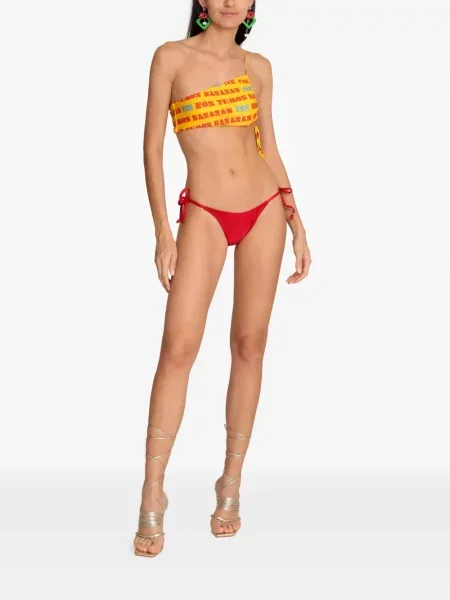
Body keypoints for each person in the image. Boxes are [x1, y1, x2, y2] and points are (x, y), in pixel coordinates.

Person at [134, 0, 311, 558]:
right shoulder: (170, 57)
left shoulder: (258, 67)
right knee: (178, 347)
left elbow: (268, 147)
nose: (233, 0)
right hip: (205, 212)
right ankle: (153, 491)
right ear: (203, 2)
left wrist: (297, 220)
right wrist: (163, 232)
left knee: (249, 345)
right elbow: (152, 147)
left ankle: (230, 482)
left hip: (263, 208)